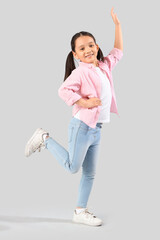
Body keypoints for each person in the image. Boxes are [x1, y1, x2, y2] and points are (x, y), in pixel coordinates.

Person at [24, 7, 123, 227]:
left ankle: (80, 211)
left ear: (97, 47)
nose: (88, 50)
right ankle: (44, 139)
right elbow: (63, 91)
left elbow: (118, 51)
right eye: (82, 48)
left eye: (91, 45)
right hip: (82, 126)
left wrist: (117, 26)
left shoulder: (104, 66)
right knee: (72, 167)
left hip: (97, 129)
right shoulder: (81, 72)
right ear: (75, 55)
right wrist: (85, 102)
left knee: (90, 174)